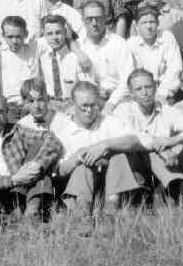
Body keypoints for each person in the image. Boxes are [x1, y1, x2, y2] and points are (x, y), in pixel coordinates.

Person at [112, 69, 183, 200]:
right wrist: (162, 147)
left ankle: (175, 192)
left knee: (179, 147)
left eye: (148, 87)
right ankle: (149, 194)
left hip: (162, 167)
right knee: (137, 149)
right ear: (131, 93)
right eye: (139, 89)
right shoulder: (123, 110)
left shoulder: (166, 111)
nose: (145, 93)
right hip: (136, 168)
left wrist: (175, 140)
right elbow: (130, 136)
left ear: (156, 88)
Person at [50, 81, 150, 235]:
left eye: (93, 105)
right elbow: (59, 171)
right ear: (72, 104)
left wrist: (105, 145)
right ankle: (83, 216)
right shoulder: (64, 130)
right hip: (79, 187)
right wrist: (77, 157)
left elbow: (134, 140)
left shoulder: (109, 122)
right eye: (83, 106)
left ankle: (110, 213)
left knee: (118, 156)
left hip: (111, 183)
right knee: (82, 167)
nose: (89, 111)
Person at [0, 93, 63, 222]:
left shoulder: (16, 130)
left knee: (40, 148)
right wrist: (13, 179)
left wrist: (38, 164)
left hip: (26, 186)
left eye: (1, 112)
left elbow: (52, 139)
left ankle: (32, 210)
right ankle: (15, 219)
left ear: (6, 111)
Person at [78, 0, 135, 114]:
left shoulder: (119, 44)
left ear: (105, 19)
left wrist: (111, 104)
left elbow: (127, 80)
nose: (94, 23)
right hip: (88, 101)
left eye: (98, 18)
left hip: (119, 101)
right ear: (82, 21)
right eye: (89, 19)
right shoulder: (78, 46)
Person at [126, 6, 183, 103]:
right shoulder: (131, 43)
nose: (148, 27)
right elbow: (129, 72)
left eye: (152, 22)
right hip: (140, 91)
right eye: (144, 23)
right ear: (136, 26)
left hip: (165, 91)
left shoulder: (167, 37)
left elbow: (175, 68)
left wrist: (162, 93)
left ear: (158, 23)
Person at [39, 14, 94, 102]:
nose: (54, 37)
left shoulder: (76, 57)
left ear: (65, 32)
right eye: (49, 34)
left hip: (72, 103)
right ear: (44, 35)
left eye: (58, 32)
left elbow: (87, 85)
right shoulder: (41, 54)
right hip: (49, 103)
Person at [0, 15, 39, 123]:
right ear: (2, 36)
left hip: (31, 105)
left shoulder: (34, 48)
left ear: (26, 34)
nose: (14, 41)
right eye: (10, 37)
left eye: (19, 36)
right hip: (9, 108)